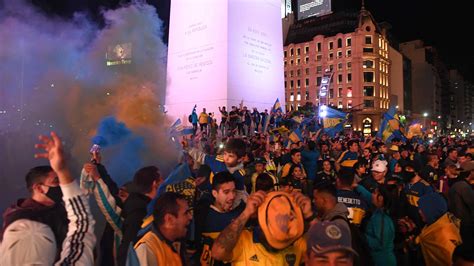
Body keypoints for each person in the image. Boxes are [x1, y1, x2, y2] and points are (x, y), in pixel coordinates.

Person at [0, 132, 95, 265]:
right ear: (39, 188)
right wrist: (62, 170)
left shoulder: (57, 208)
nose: (61, 185)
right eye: (56, 181)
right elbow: (81, 227)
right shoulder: (21, 220)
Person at [211, 191, 313, 264]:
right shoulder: (243, 241)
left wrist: (310, 216)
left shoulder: (297, 244)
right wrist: (246, 213)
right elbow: (218, 252)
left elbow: (326, 252)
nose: (278, 243)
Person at [195, 172, 245, 265]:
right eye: (226, 192)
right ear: (215, 193)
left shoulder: (240, 213)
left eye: (234, 191)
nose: (232, 196)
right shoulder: (203, 218)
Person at [117, 166, 163, 266]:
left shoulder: (136, 205)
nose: (164, 183)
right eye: (161, 179)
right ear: (155, 184)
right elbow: (127, 248)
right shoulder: (140, 212)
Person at [134, 192, 193, 265]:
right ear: (169, 219)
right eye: (186, 213)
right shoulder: (147, 249)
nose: (190, 217)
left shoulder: (176, 244)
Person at [416, 193, 462, 265]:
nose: (419, 211)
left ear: (432, 210)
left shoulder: (444, 236)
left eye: (422, 209)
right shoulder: (434, 225)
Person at [364, 187, 396, 266]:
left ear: (381, 198)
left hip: (383, 261)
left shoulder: (381, 218)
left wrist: (362, 237)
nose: (372, 194)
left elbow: (380, 243)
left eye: (375, 193)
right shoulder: (378, 213)